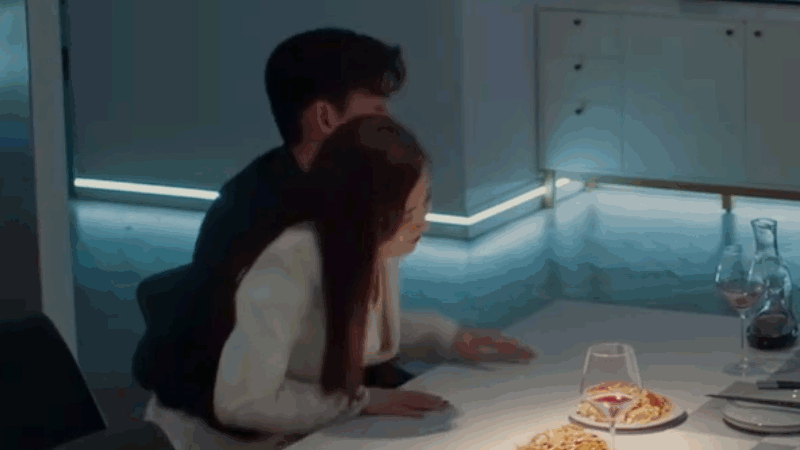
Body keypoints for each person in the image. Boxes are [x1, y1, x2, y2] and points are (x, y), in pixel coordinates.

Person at [132, 28, 534, 449]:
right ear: (325, 118)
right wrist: (358, 402)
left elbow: (337, 319)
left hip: (317, 403)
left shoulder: (365, 203)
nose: (391, 125)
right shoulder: (262, 227)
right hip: (239, 431)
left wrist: (445, 338)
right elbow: (243, 389)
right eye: (377, 111)